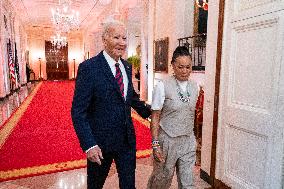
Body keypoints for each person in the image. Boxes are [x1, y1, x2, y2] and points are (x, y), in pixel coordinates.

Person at [71, 20, 151, 189]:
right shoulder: (89, 68)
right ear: (104, 39)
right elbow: (78, 112)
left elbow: (131, 98)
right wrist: (89, 144)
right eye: (116, 37)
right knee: (95, 185)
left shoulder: (127, 66)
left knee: (129, 186)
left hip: (126, 142)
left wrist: (153, 111)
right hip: (100, 144)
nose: (122, 42)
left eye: (124, 37)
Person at [147, 46, 199, 189]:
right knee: (162, 180)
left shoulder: (196, 87)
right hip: (167, 140)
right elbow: (155, 116)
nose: (185, 71)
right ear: (173, 66)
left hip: (187, 139)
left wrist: (194, 140)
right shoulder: (162, 86)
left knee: (188, 182)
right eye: (180, 67)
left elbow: (191, 114)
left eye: (188, 67)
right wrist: (155, 144)